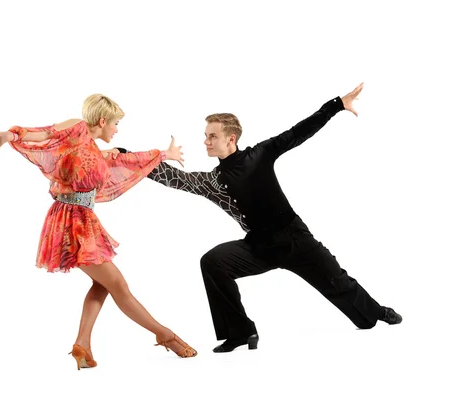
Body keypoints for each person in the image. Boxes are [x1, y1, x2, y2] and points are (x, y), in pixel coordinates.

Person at [125, 82, 402, 353]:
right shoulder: (213, 181)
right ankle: (241, 333)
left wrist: (337, 105)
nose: (206, 141)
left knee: (339, 283)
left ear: (230, 139)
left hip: (294, 240)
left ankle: (376, 312)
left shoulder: (260, 154)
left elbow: (298, 132)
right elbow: (175, 179)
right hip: (258, 247)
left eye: (212, 136)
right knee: (213, 262)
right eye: (206, 135)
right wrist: (126, 158)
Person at [0, 94, 197, 370]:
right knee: (119, 287)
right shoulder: (77, 129)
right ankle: (165, 335)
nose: (117, 129)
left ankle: (83, 344)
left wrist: (164, 154)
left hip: (81, 219)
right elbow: (43, 132)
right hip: (73, 221)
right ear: (102, 121)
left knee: (102, 284)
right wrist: (7, 136)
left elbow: (126, 161)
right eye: (116, 123)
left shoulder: (91, 149)